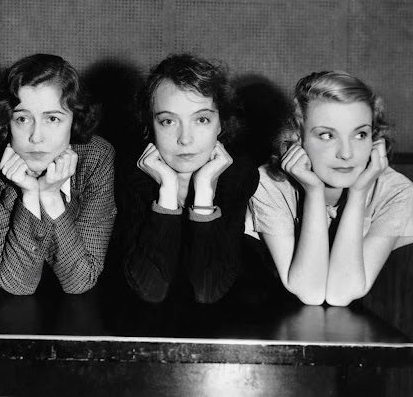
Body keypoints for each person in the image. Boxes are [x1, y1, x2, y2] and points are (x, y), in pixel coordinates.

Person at [247, 71, 413, 306]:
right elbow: (310, 291)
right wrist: (313, 193)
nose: (346, 153)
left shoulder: (396, 192)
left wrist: (358, 194)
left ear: (375, 140)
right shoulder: (269, 184)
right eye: (327, 135)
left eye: (360, 134)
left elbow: (340, 293)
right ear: (298, 137)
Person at [120, 54, 259, 303]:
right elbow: (150, 289)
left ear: (221, 124)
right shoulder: (131, 177)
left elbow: (208, 289)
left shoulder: (238, 176)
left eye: (201, 120)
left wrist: (204, 194)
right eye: (168, 121)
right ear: (151, 126)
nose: (185, 138)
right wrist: (167, 194)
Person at [0, 54, 116, 295]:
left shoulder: (96, 158)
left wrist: (50, 196)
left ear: (75, 120)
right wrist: (30, 194)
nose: (36, 137)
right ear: (7, 122)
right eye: (22, 118)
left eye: (52, 118)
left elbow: (81, 281)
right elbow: (17, 284)